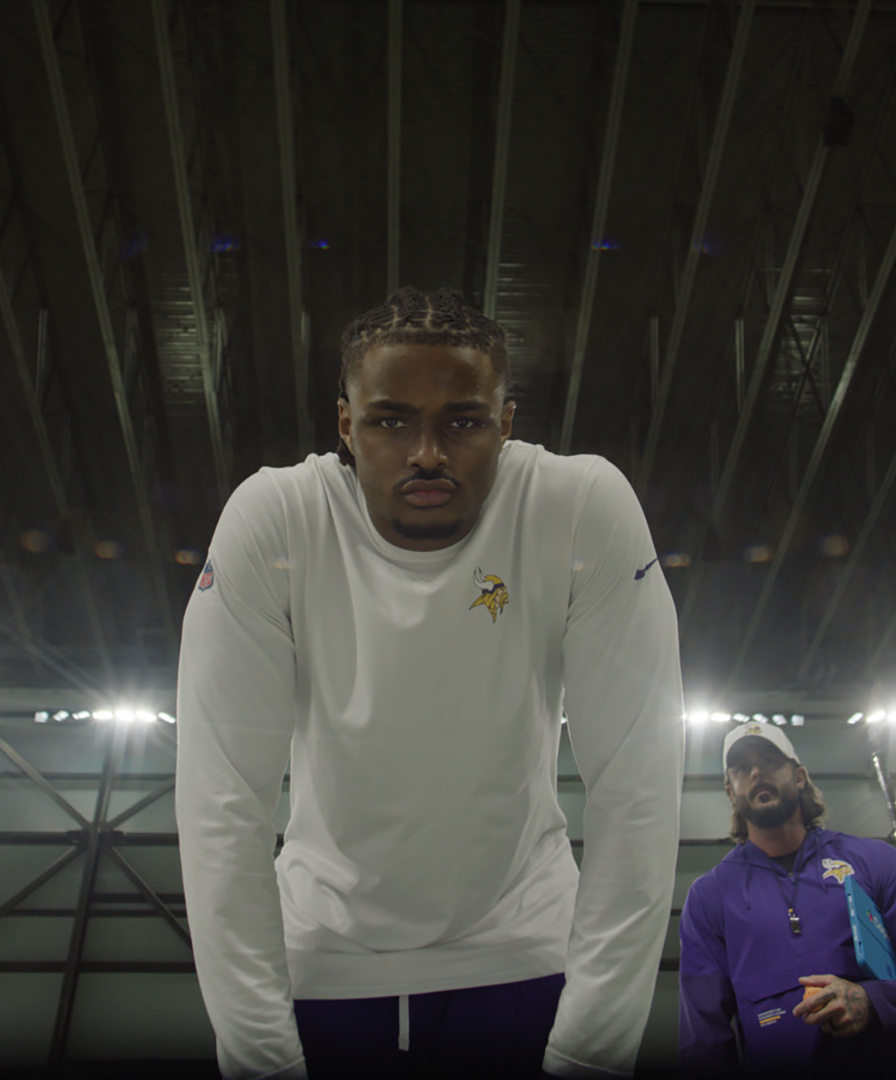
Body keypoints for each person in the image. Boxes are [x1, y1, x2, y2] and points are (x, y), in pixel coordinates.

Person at [176, 287, 684, 1079]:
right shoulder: (275, 517)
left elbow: (637, 780)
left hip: (524, 956)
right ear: (346, 425)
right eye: (390, 421)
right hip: (323, 968)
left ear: (505, 425)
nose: (426, 454)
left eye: (463, 422)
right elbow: (222, 798)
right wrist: (258, 1057)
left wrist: (596, 1049)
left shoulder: (579, 505)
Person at [678, 721, 896, 1077]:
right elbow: (703, 1040)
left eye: (770, 761)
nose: (756, 772)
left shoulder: (875, 862)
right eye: (742, 768)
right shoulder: (710, 896)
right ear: (731, 792)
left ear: (799, 777)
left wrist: (873, 1001)